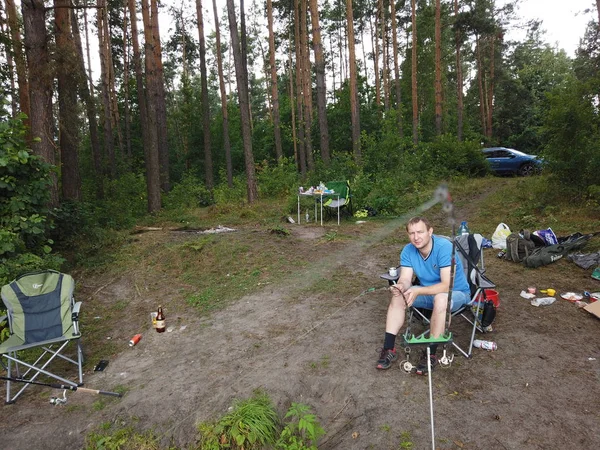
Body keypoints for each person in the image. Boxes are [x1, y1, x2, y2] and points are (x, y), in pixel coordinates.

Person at [376, 216, 471, 374]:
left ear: (430, 231)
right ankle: (388, 349)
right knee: (398, 296)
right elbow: (406, 278)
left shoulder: (444, 247)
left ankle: (431, 354)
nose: (416, 237)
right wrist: (400, 286)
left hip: (456, 293)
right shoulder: (408, 250)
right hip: (428, 294)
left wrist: (417, 290)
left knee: (441, 298)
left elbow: (446, 285)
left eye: (420, 232)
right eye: (412, 233)